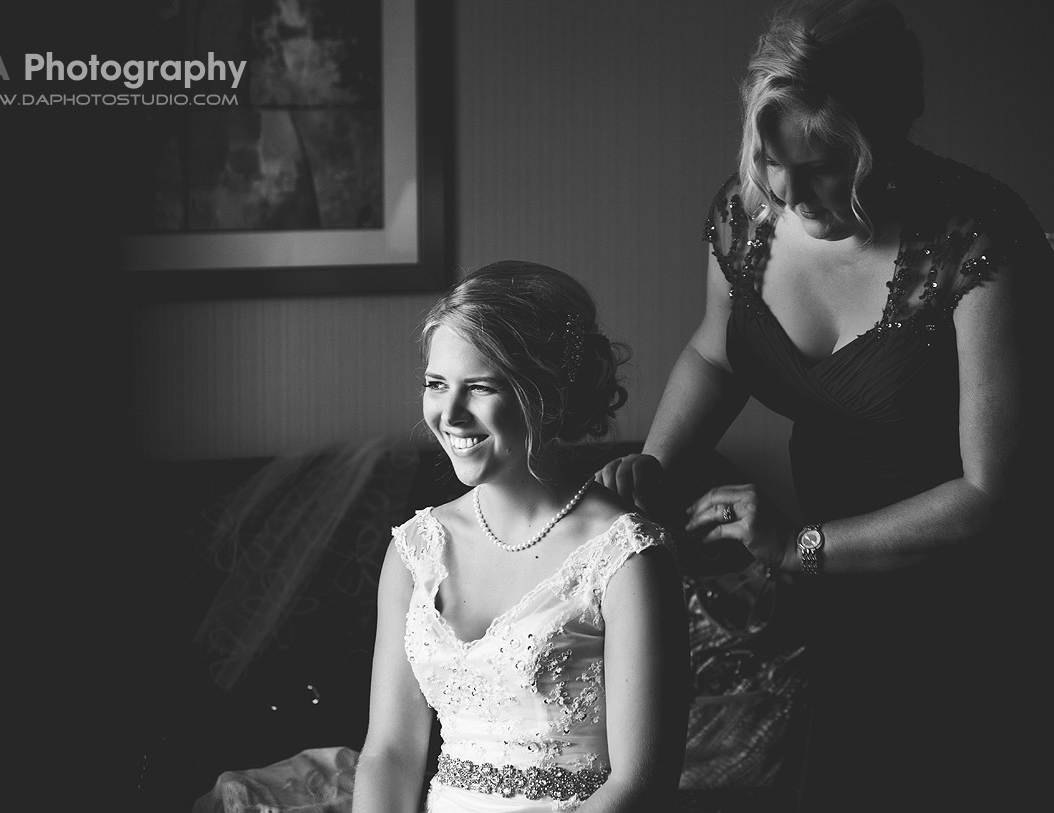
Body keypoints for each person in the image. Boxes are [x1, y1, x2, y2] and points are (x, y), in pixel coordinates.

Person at [599, 1, 1051, 810]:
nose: (788, 191)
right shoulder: (746, 216)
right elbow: (716, 351)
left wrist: (795, 542)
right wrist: (657, 467)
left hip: (969, 599)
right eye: (772, 158)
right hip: (835, 586)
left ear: (889, 132)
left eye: (825, 166)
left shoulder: (978, 238)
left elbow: (993, 495)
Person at [352, 261, 690, 813]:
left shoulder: (627, 560)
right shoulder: (415, 551)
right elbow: (389, 753)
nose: (450, 414)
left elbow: (639, 786)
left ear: (546, 395)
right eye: (436, 384)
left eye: (480, 387)